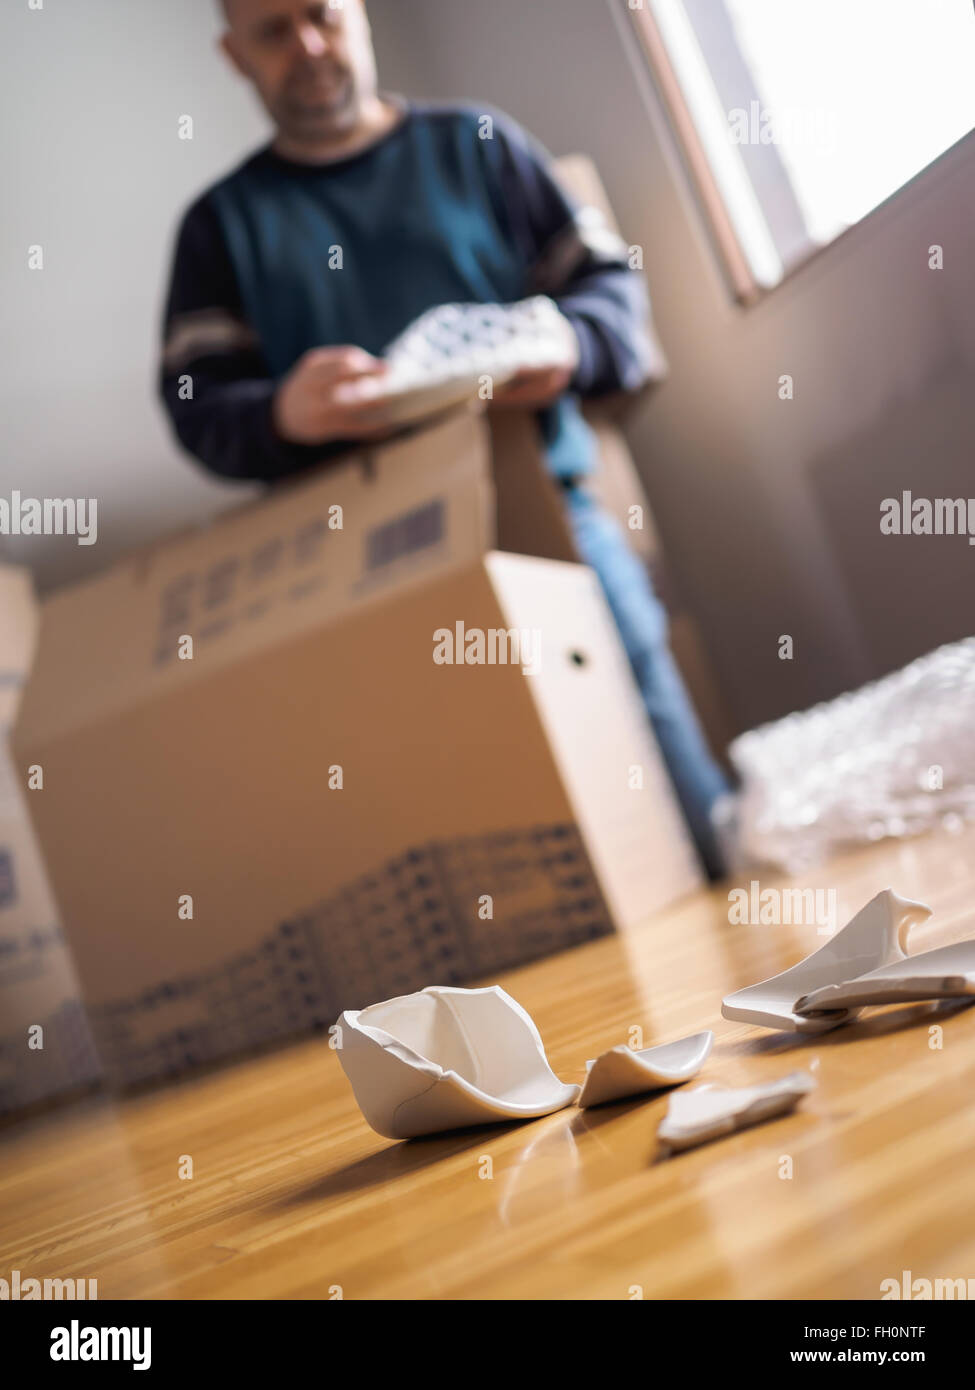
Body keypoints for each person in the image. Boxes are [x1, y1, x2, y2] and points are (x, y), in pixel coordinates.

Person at [158, 0, 730, 877]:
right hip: (361, 578)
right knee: (475, 848)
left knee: (669, 799)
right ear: (234, 55)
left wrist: (568, 343)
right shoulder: (219, 225)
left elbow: (611, 290)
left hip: (552, 530)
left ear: (359, 17)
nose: (306, 44)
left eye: (320, 15)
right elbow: (193, 401)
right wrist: (279, 412)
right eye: (274, 31)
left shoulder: (479, 144)